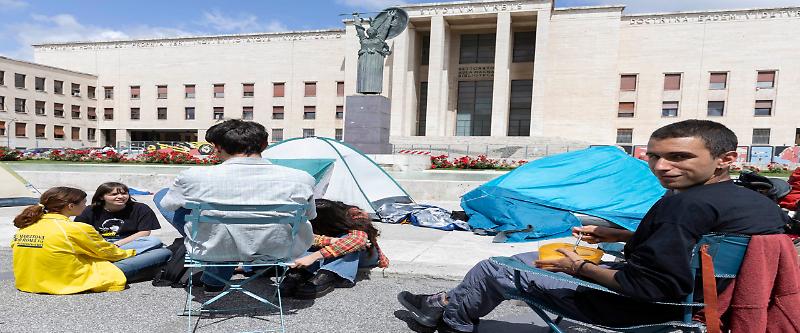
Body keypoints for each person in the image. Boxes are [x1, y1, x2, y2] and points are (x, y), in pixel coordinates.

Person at [398, 119, 789, 332]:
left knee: (496, 266)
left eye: (679, 156)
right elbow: (696, 248)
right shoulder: (756, 204)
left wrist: (579, 267)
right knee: (526, 255)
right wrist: (621, 236)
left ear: (725, 158)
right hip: (708, 299)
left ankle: (450, 320)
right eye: (653, 157)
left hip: (640, 308)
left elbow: (652, 288)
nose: (661, 167)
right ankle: (444, 303)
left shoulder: (683, 206)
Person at [156, 119, 316, 293]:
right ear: (264, 145)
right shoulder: (301, 178)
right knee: (228, 225)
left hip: (212, 246)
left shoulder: (193, 177)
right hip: (278, 248)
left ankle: (215, 277)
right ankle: (216, 274)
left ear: (217, 147)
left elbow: (168, 205)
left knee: (162, 196)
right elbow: (310, 215)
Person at [10, 187, 172, 295]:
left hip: (29, 281)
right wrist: (132, 253)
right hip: (68, 281)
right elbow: (111, 253)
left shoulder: (27, 226)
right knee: (162, 251)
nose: (86, 206)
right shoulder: (75, 228)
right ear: (70, 206)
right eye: (83, 203)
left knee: (150, 244)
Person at [285, 199, 389, 299]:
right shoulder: (310, 219)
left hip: (366, 255)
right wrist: (331, 240)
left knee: (349, 244)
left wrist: (313, 257)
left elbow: (359, 239)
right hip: (340, 245)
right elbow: (304, 237)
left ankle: (328, 275)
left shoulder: (353, 215)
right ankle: (301, 272)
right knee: (312, 243)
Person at [75, 182, 163, 254]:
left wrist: (116, 244)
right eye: (114, 194)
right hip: (100, 242)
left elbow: (144, 232)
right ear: (101, 197)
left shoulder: (141, 208)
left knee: (154, 241)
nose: (121, 197)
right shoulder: (90, 210)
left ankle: (109, 253)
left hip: (128, 242)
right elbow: (79, 230)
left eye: (124, 193)